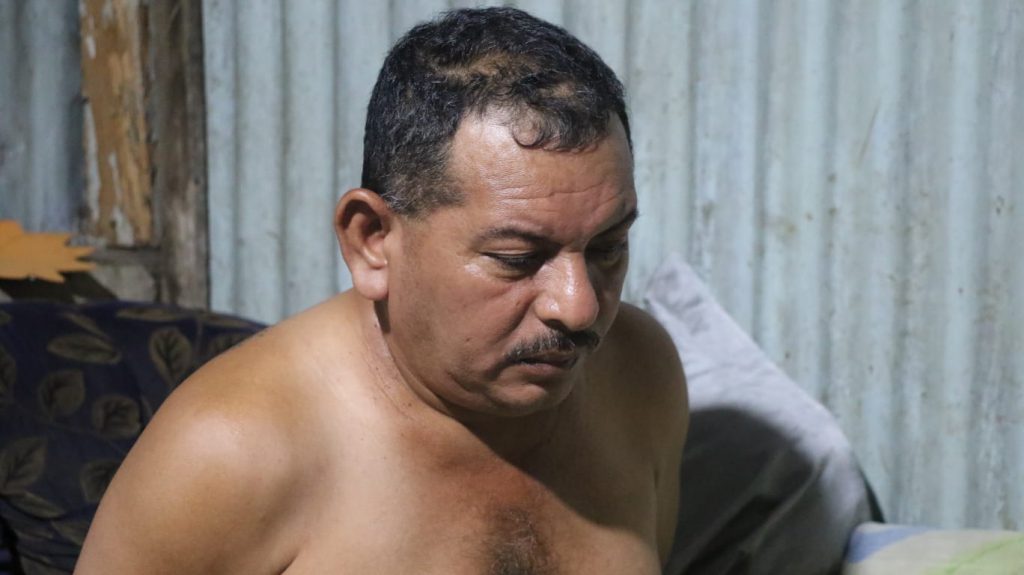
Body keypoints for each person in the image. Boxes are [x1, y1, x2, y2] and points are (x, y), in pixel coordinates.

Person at [75, 7, 688, 574]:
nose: (579, 307)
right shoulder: (230, 454)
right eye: (516, 259)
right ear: (371, 241)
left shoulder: (640, 374)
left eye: (608, 248)